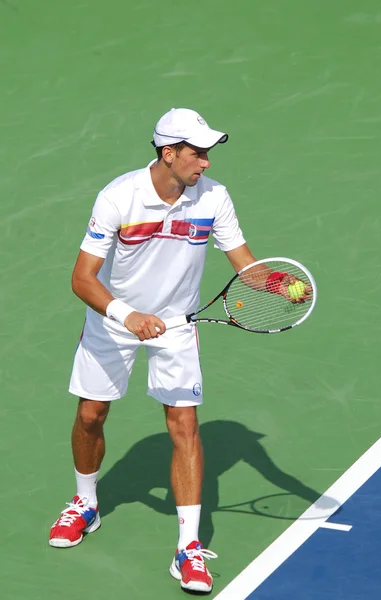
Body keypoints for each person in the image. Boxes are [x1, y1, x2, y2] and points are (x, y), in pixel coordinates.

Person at [48, 108, 274, 593]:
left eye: (208, 153)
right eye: (197, 153)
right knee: (91, 415)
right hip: (113, 319)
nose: (206, 164)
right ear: (168, 153)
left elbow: (246, 265)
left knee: (185, 426)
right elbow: (82, 279)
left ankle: (187, 547)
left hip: (176, 325)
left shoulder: (214, 198)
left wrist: (282, 285)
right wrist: (127, 316)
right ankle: (85, 503)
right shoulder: (119, 197)